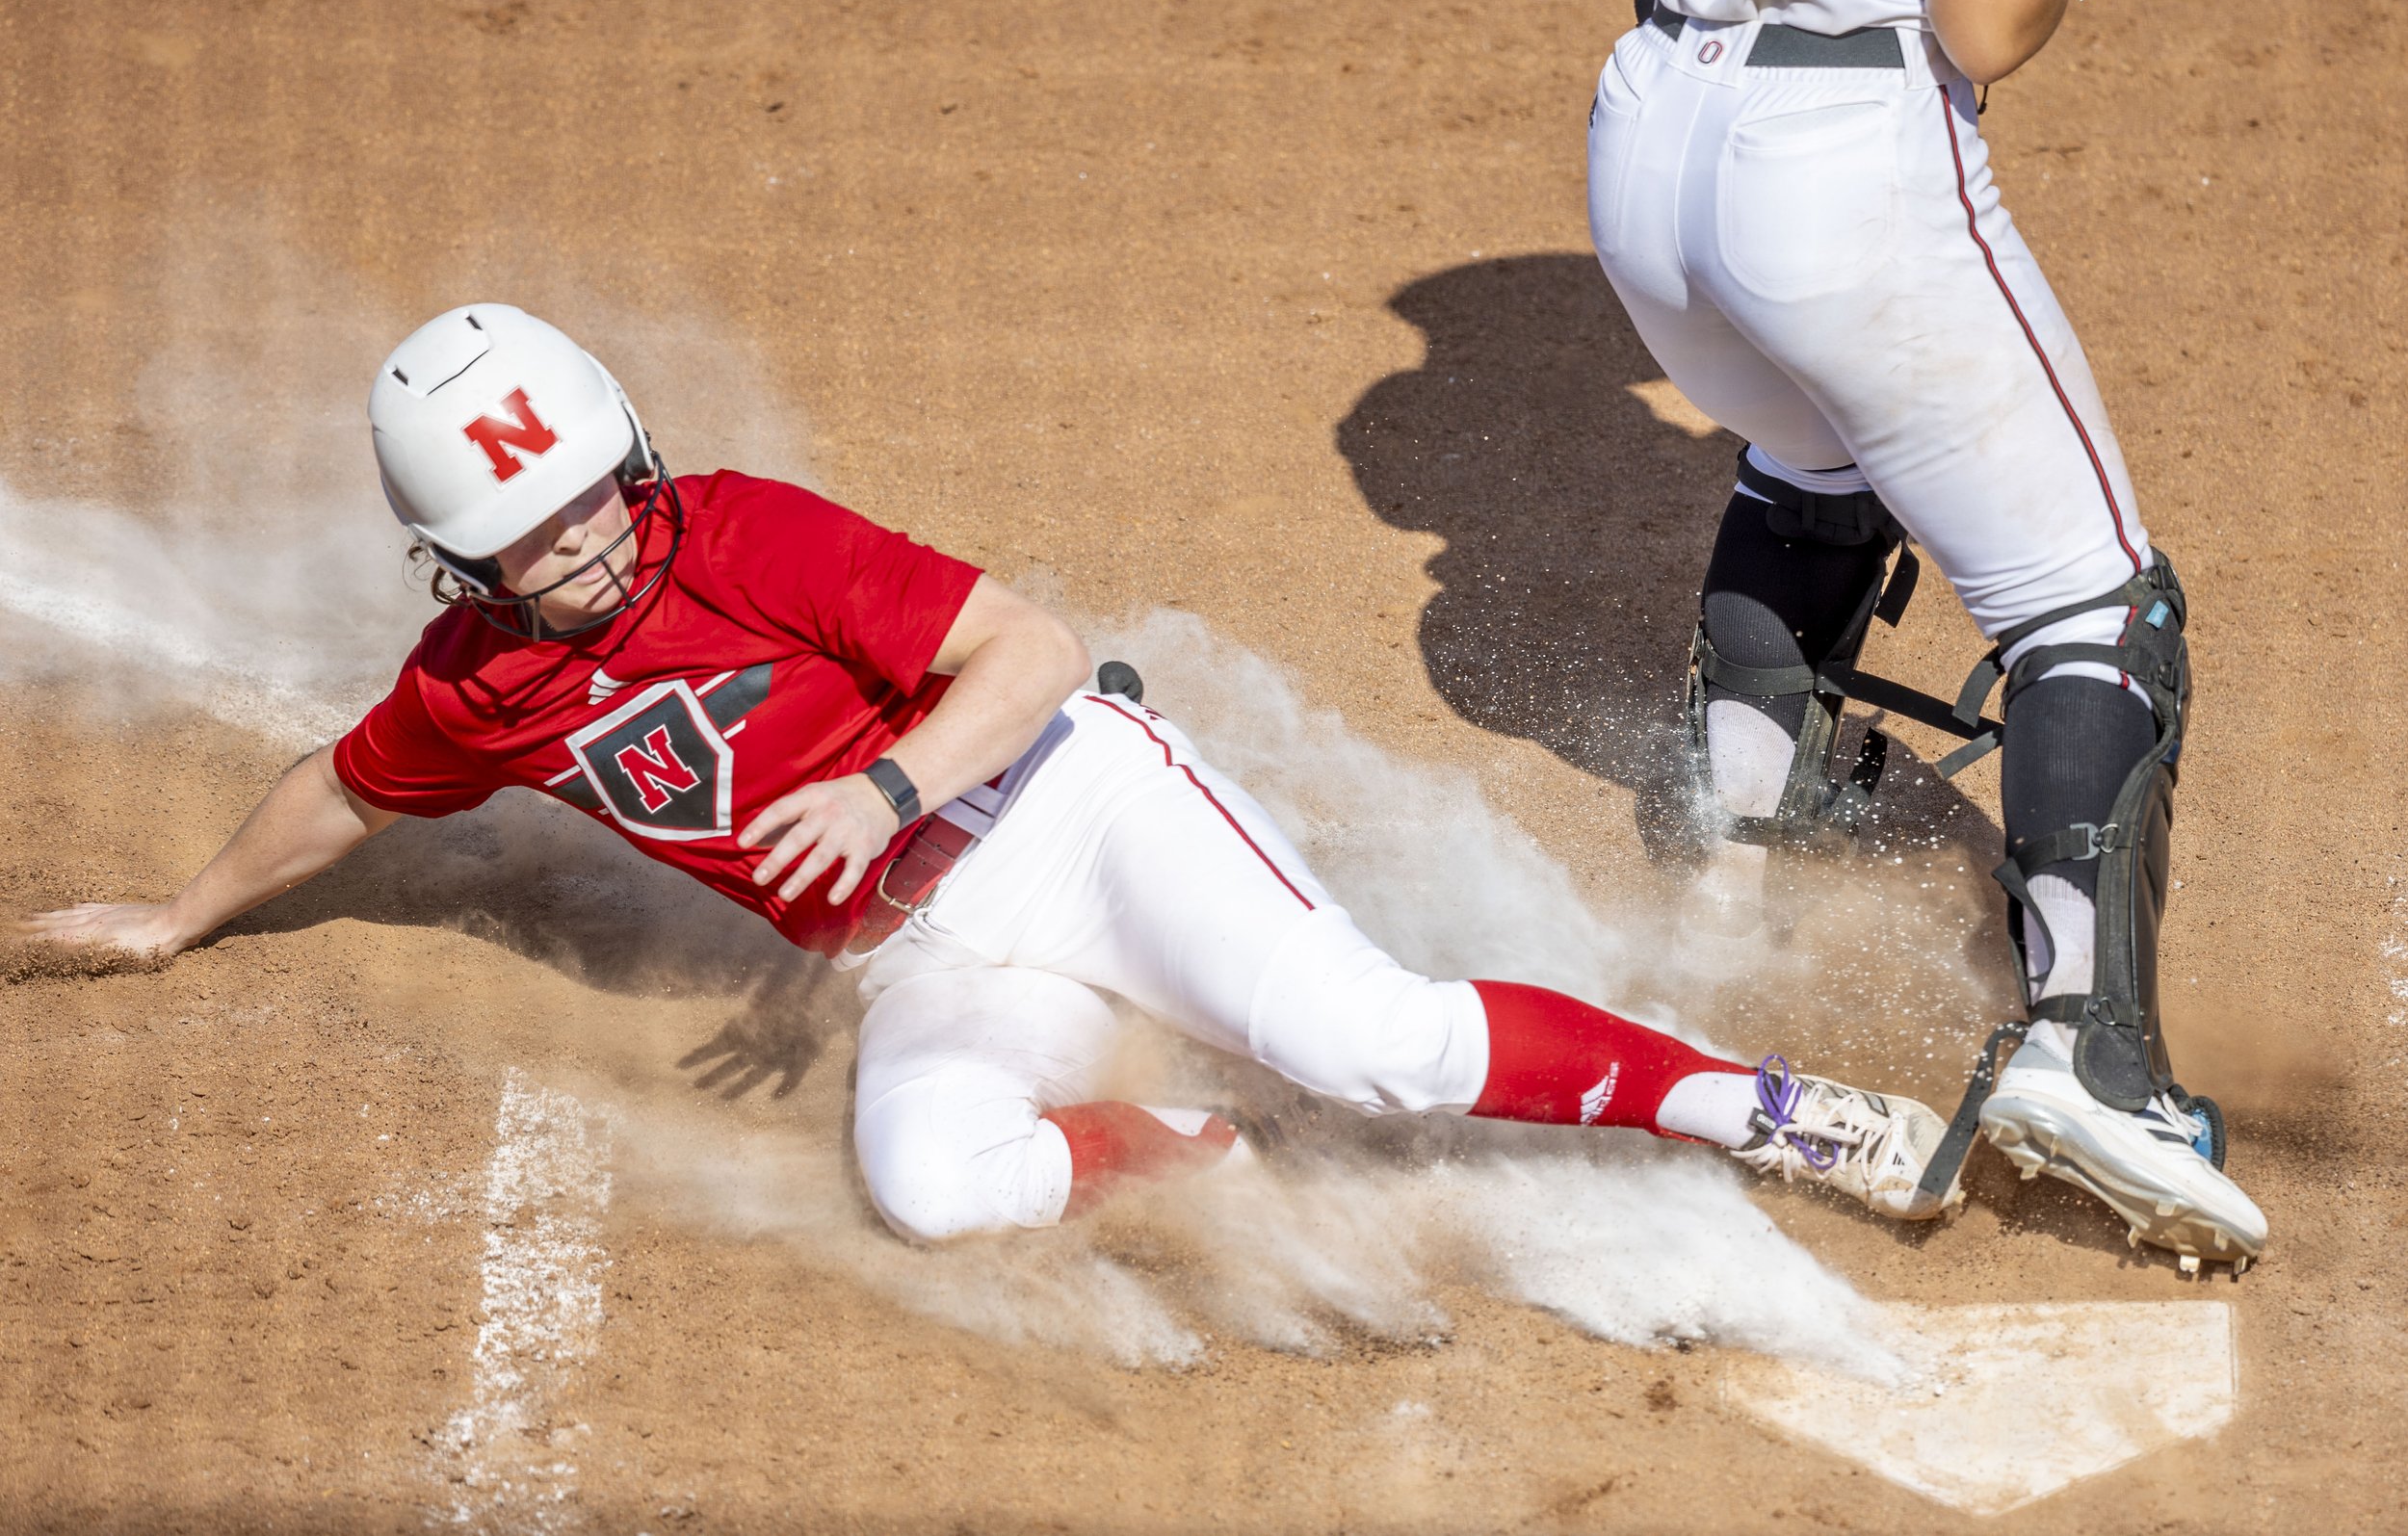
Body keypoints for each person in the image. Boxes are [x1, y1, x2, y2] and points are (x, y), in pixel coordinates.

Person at [20, 303, 1960, 1242]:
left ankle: (1777, 1112)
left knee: (1375, 1040)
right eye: (532, 537)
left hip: (1066, 810)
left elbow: (1020, 650)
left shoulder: (739, 529)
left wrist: (879, 791)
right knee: (934, 1189)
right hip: (929, 958)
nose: (591, 543)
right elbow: (348, 787)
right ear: (461, 569)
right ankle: (1202, 1142)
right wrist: (179, 914)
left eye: (593, 490)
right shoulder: (474, 690)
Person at [1561, 0, 2264, 1269]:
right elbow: (1988, 17)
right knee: (2091, 601)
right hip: (1841, 161)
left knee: (1818, 461)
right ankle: (2092, 1062)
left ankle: (1716, 911)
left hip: (1650, 142)